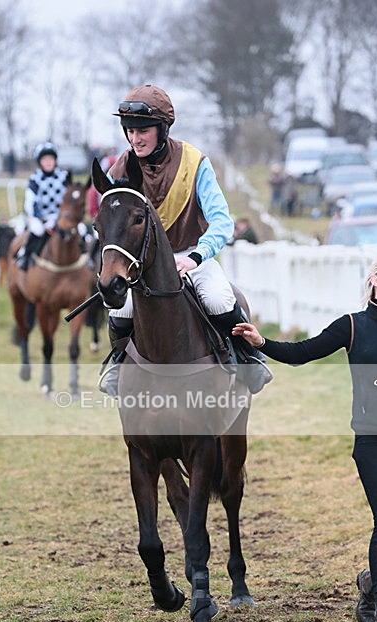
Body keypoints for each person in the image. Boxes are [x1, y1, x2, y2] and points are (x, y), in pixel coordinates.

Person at [234, 251, 377, 622]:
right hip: (371, 440)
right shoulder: (351, 326)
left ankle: (370, 581)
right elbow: (303, 353)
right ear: (375, 279)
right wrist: (261, 341)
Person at [102, 84, 271, 395]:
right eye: (129, 131)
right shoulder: (122, 167)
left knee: (219, 298)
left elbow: (222, 221)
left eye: (143, 131)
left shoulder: (195, 163)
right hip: (142, 265)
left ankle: (248, 359)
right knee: (120, 310)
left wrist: (195, 257)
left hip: (192, 257)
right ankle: (116, 363)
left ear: (163, 128)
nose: (134, 139)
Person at [18, 142, 69, 271]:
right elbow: (31, 203)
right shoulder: (34, 179)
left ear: (55, 160)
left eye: (50, 159)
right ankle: (26, 256)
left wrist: (60, 218)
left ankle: (88, 259)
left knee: (80, 230)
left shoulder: (64, 177)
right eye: (45, 159)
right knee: (37, 230)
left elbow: (68, 200)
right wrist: (44, 221)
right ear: (39, 162)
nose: (48, 162)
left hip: (60, 216)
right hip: (41, 217)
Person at [0, 215, 16, 286]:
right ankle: (0, 283)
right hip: (1, 253)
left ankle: (10, 282)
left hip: (9, 253)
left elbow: (14, 236)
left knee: (10, 269)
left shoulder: (10, 230)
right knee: (1, 269)